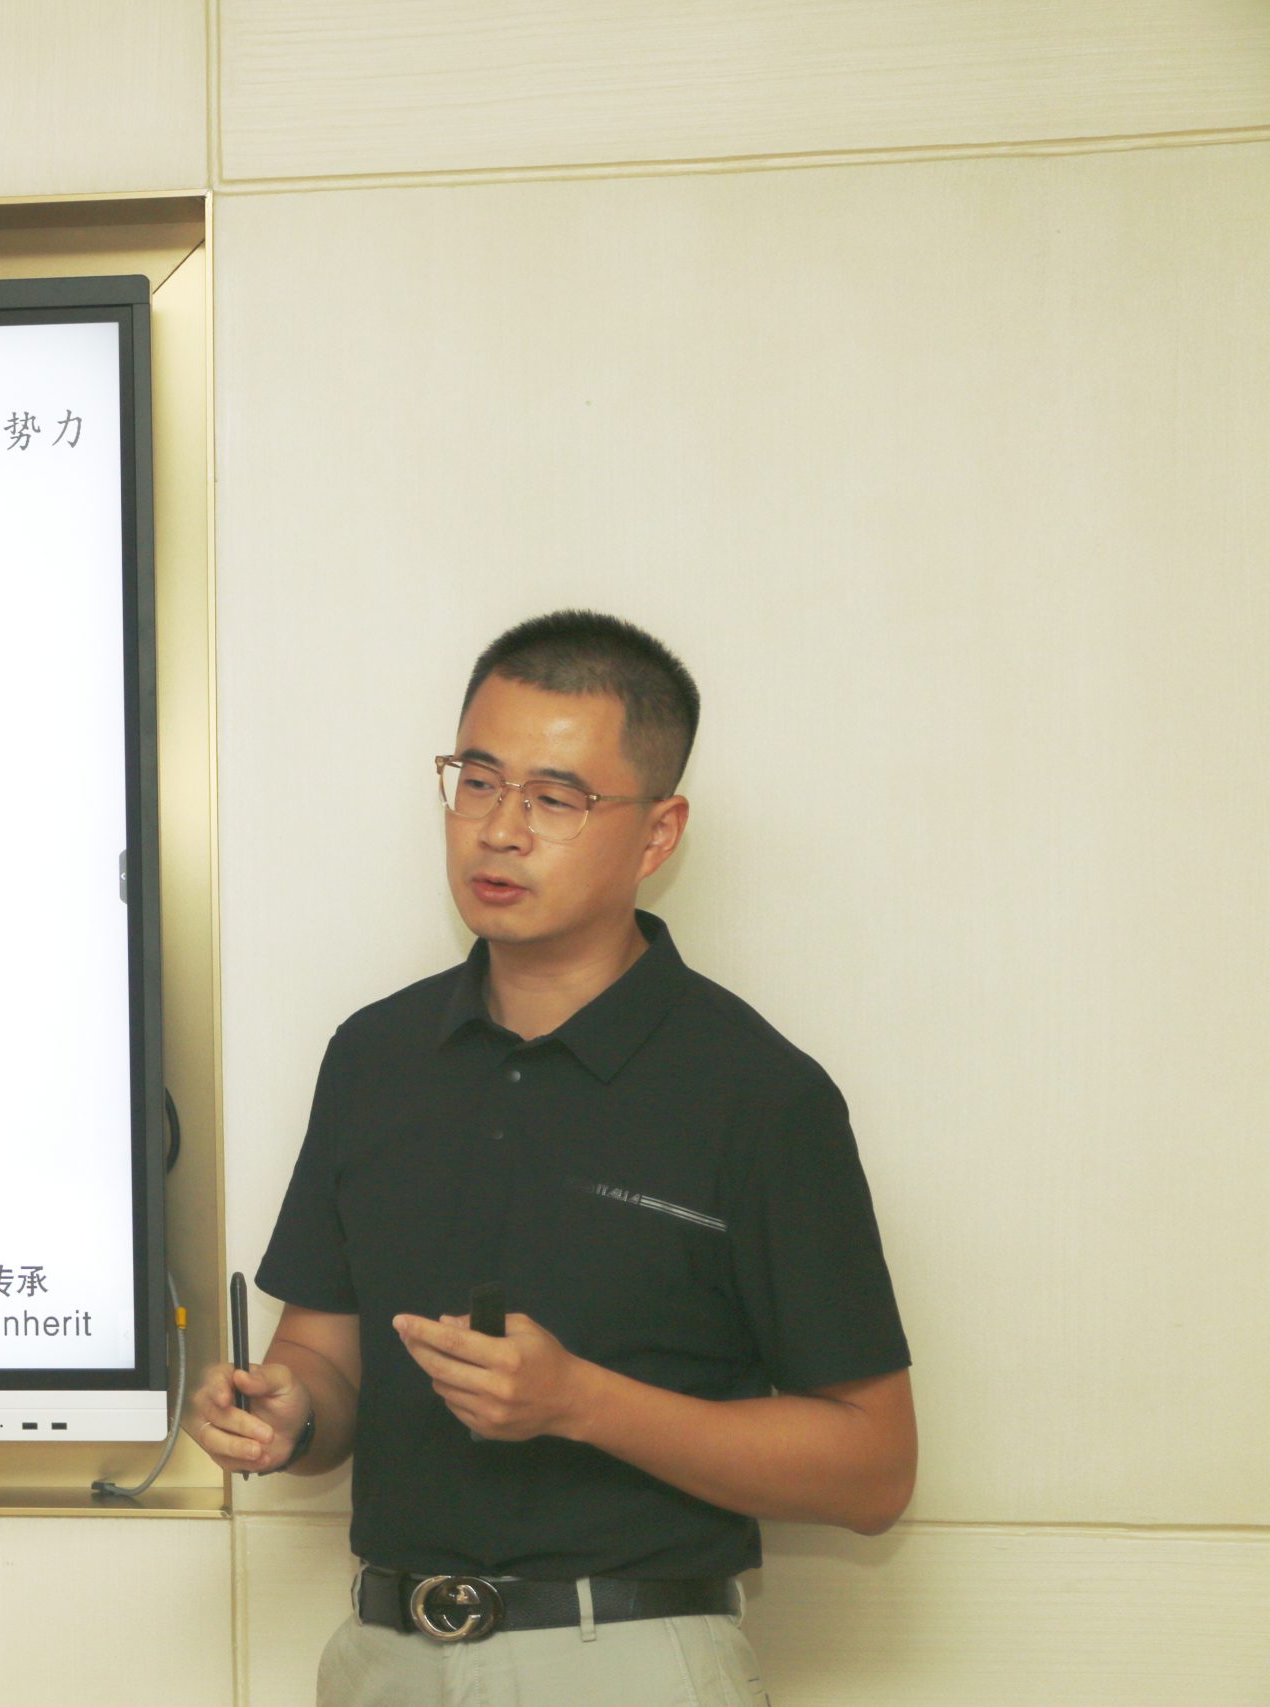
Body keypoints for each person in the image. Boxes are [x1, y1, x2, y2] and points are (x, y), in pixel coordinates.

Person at [186, 609, 914, 1706]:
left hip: (626, 1654)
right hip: (382, 1654)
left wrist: (577, 1401)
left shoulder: (758, 1092)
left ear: (658, 835)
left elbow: (873, 1468)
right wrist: (287, 1411)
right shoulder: (375, 1055)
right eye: (476, 781)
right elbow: (323, 1361)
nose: (499, 830)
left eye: (555, 798)